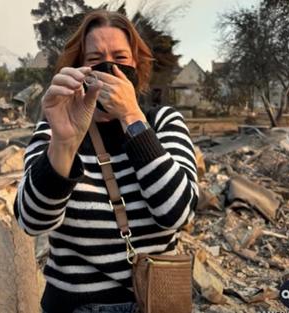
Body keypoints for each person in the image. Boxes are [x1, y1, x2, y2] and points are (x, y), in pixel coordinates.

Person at [14, 9, 199, 313]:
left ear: (137, 66)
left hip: (157, 301)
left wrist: (132, 118)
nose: (109, 66)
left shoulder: (164, 122)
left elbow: (178, 214)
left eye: (121, 58)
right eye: (95, 58)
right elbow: (32, 221)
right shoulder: (55, 127)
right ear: (78, 69)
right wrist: (65, 143)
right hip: (76, 306)